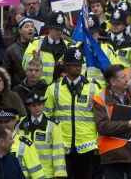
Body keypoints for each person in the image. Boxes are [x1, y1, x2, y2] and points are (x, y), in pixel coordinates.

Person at [44, 47, 101, 178]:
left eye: (80, 64)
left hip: (87, 145)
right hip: (62, 145)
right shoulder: (54, 88)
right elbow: (46, 117)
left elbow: (100, 116)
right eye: (74, 65)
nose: (78, 68)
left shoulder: (93, 87)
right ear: (66, 66)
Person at [16, 91, 67, 179]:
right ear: (28, 107)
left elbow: (58, 150)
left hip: (47, 173)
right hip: (26, 174)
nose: (37, 108)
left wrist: (59, 174)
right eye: (33, 105)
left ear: (43, 105)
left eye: (39, 104)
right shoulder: (21, 124)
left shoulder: (53, 124)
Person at [22, 11, 68, 84]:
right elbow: (24, 64)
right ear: (49, 29)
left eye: (61, 29)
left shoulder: (68, 46)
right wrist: (34, 60)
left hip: (61, 90)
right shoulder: (36, 43)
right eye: (56, 29)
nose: (59, 32)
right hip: (41, 88)